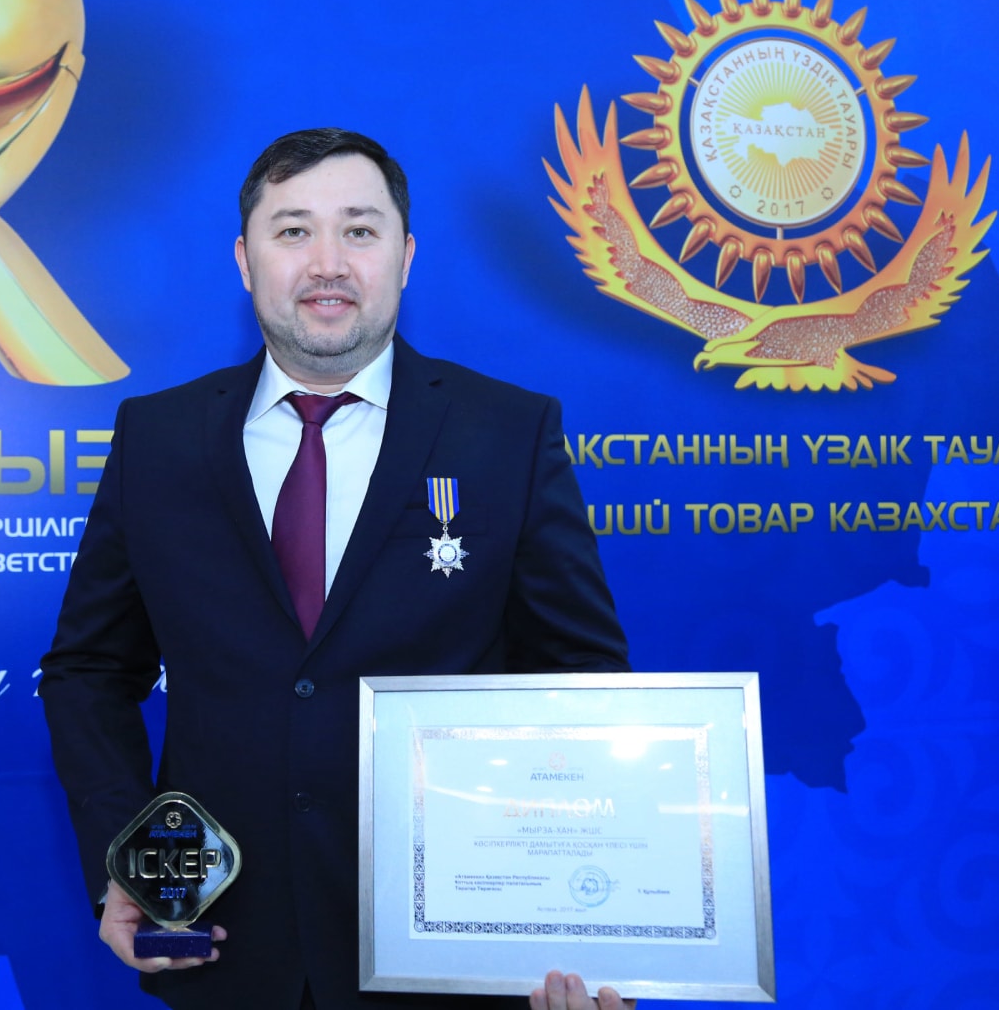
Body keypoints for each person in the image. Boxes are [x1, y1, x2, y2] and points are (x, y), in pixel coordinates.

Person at [41, 129, 632, 1010]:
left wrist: (596, 927)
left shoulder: (508, 433)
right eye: (292, 231)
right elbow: (89, 669)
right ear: (244, 261)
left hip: (451, 954)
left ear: (406, 256)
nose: (328, 263)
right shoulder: (156, 439)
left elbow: (581, 682)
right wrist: (130, 855)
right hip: (226, 955)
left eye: (359, 230)